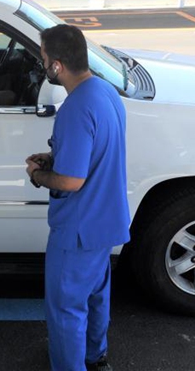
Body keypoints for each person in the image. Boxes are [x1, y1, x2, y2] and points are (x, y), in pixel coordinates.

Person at [25, 24, 130, 371]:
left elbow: (71, 181)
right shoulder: (104, 92)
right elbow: (94, 154)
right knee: (96, 295)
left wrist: (39, 175)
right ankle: (94, 356)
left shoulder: (73, 109)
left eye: (43, 59)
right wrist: (55, 158)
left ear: (56, 65)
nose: (43, 65)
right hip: (106, 222)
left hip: (78, 230)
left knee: (66, 308)